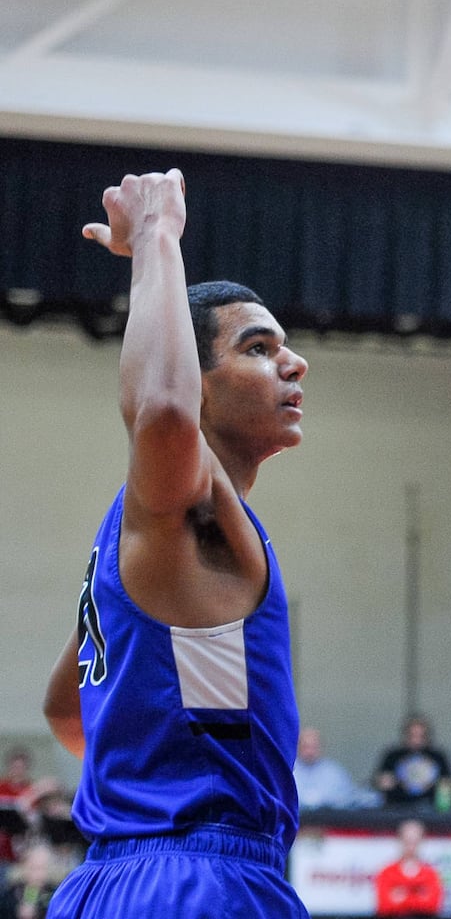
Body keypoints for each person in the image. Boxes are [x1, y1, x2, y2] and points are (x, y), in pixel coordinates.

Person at [40, 169, 309, 917]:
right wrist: (158, 231)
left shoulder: (148, 542)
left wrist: (166, 767)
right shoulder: (188, 511)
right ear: (200, 380)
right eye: (258, 348)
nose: (294, 362)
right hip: (198, 881)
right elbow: (161, 412)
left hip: (105, 883)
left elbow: (70, 710)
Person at [375, 713, 451, 808]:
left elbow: (449, 785)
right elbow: (377, 782)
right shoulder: (392, 756)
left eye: (421, 736)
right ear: (405, 735)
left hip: (430, 809)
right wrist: (380, 782)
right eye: (412, 736)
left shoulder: (438, 756)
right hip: (397, 808)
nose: (416, 741)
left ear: (428, 737)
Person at [376, 817, 444, 917]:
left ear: (421, 841)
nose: (411, 846)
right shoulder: (387, 872)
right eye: (407, 841)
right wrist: (418, 895)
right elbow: (384, 906)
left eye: (415, 841)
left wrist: (403, 896)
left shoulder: (430, 874)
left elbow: (433, 905)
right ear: (400, 841)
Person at [294, 724, 370, 810]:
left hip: (329, 820)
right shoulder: (288, 771)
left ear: (321, 748)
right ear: (297, 747)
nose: (310, 752)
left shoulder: (335, 772)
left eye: (314, 747)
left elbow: (348, 799)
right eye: (306, 747)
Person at [0, 843, 59, 919]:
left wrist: (38, 912)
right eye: (32, 868)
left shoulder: (55, 894)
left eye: (42, 868)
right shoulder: (10, 893)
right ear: (24, 867)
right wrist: (16, 912)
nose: (37, 874)